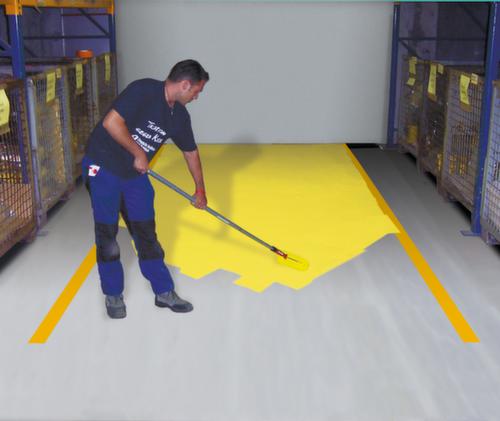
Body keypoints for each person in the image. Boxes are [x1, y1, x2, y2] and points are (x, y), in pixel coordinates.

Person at [82, 59, 209, 319]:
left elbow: (191, 153)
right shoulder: (144, 90)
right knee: (107, 235)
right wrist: (139, 153)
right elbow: (111, 122)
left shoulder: (179, 116)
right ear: (185, 85)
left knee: (146, 233)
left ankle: (164, 291)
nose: (196, 97)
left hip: (134, 175)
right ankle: (113, 293)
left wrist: (200, 190)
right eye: (197, 91)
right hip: (102, 166)